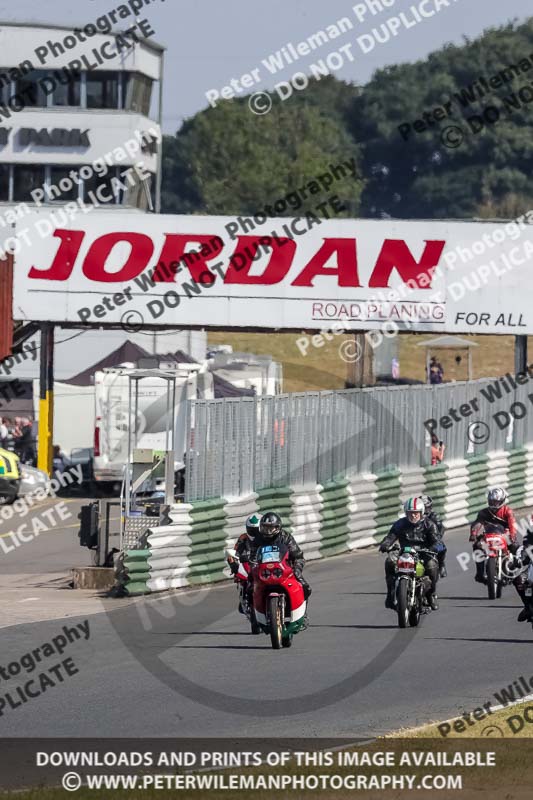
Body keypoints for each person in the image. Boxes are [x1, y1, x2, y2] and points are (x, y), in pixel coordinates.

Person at [379, 497, 440, 611]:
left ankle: (430, 594)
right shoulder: (400, 524)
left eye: (416, 513)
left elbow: (437, 541)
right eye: (410, 513)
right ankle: (390, 593)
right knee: (389, 561)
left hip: (423, 553)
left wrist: (434, 548)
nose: (413, 516)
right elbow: (391, 536)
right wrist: (385, 544)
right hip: (404, 552)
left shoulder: (429, 524)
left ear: (421, 513)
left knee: (432, 566)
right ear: (406, 513)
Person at [248, 511, 312, 600]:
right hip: (264, 571)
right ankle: (252, 611)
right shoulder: (258, 539)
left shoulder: (286, 537)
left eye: (271, 528)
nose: (268, 531)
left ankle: (302, 612)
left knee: (305, 588)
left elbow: (298, 556)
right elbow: (253, 558)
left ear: (278, 527)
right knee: (249, 590)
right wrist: (254, 569)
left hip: (284, 569)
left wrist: (296, 570)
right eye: (265, 527)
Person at [470, 487, 518, 584]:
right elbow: (477, 523)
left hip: (504, 534)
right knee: (477, 546)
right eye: (491, 502)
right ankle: (480, 572)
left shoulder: (508, 511)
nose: (493, 504)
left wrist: (512, 535)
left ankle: (514, 569)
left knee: (515, 546)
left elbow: (512, 524)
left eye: (496, 502)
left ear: (502, 501)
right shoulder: (483, 512)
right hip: (488, 535)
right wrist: (473, 534)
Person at [419, 494, 447, 578]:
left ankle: (441, 564)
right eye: (424, 508)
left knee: (442, 547)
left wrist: (437, 538)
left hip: (431, 540)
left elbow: (441, 528)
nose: (426, 510)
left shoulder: (435, 517)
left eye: (427, 507)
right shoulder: (414, 516)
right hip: (416, 540)